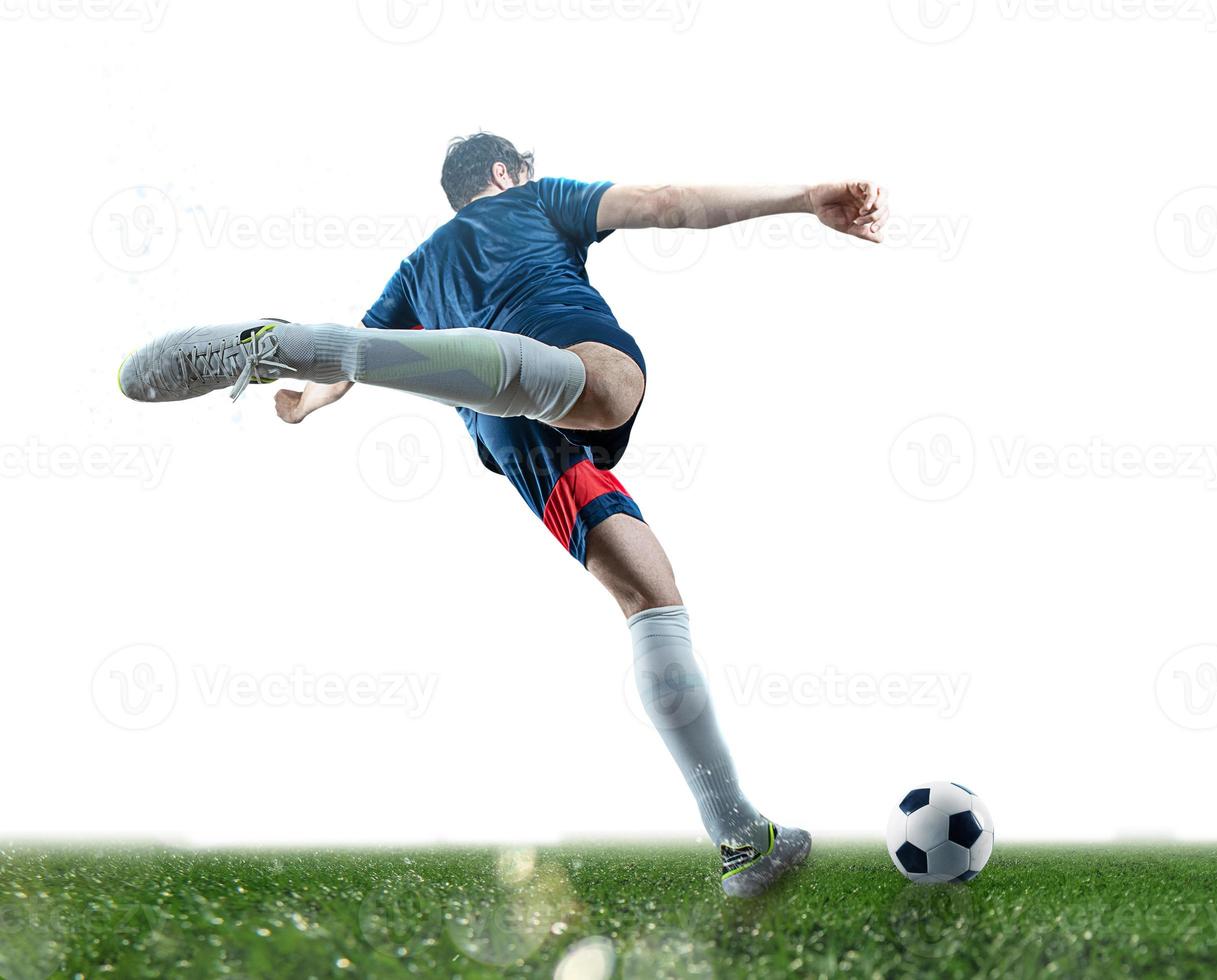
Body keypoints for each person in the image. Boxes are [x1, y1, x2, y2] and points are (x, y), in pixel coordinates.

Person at [118, 132, 889, 897]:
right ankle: (301, 344)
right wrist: (799, 197)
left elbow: (349, 373)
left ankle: (741, 842)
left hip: (512, 436)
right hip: (561, 356)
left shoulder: (417, 270)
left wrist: (303, 406)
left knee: (651, 597)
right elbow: (662, 205)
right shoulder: (535, 199)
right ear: (503, 172)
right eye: (526, 166)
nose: (535, 174)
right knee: (609, 388)